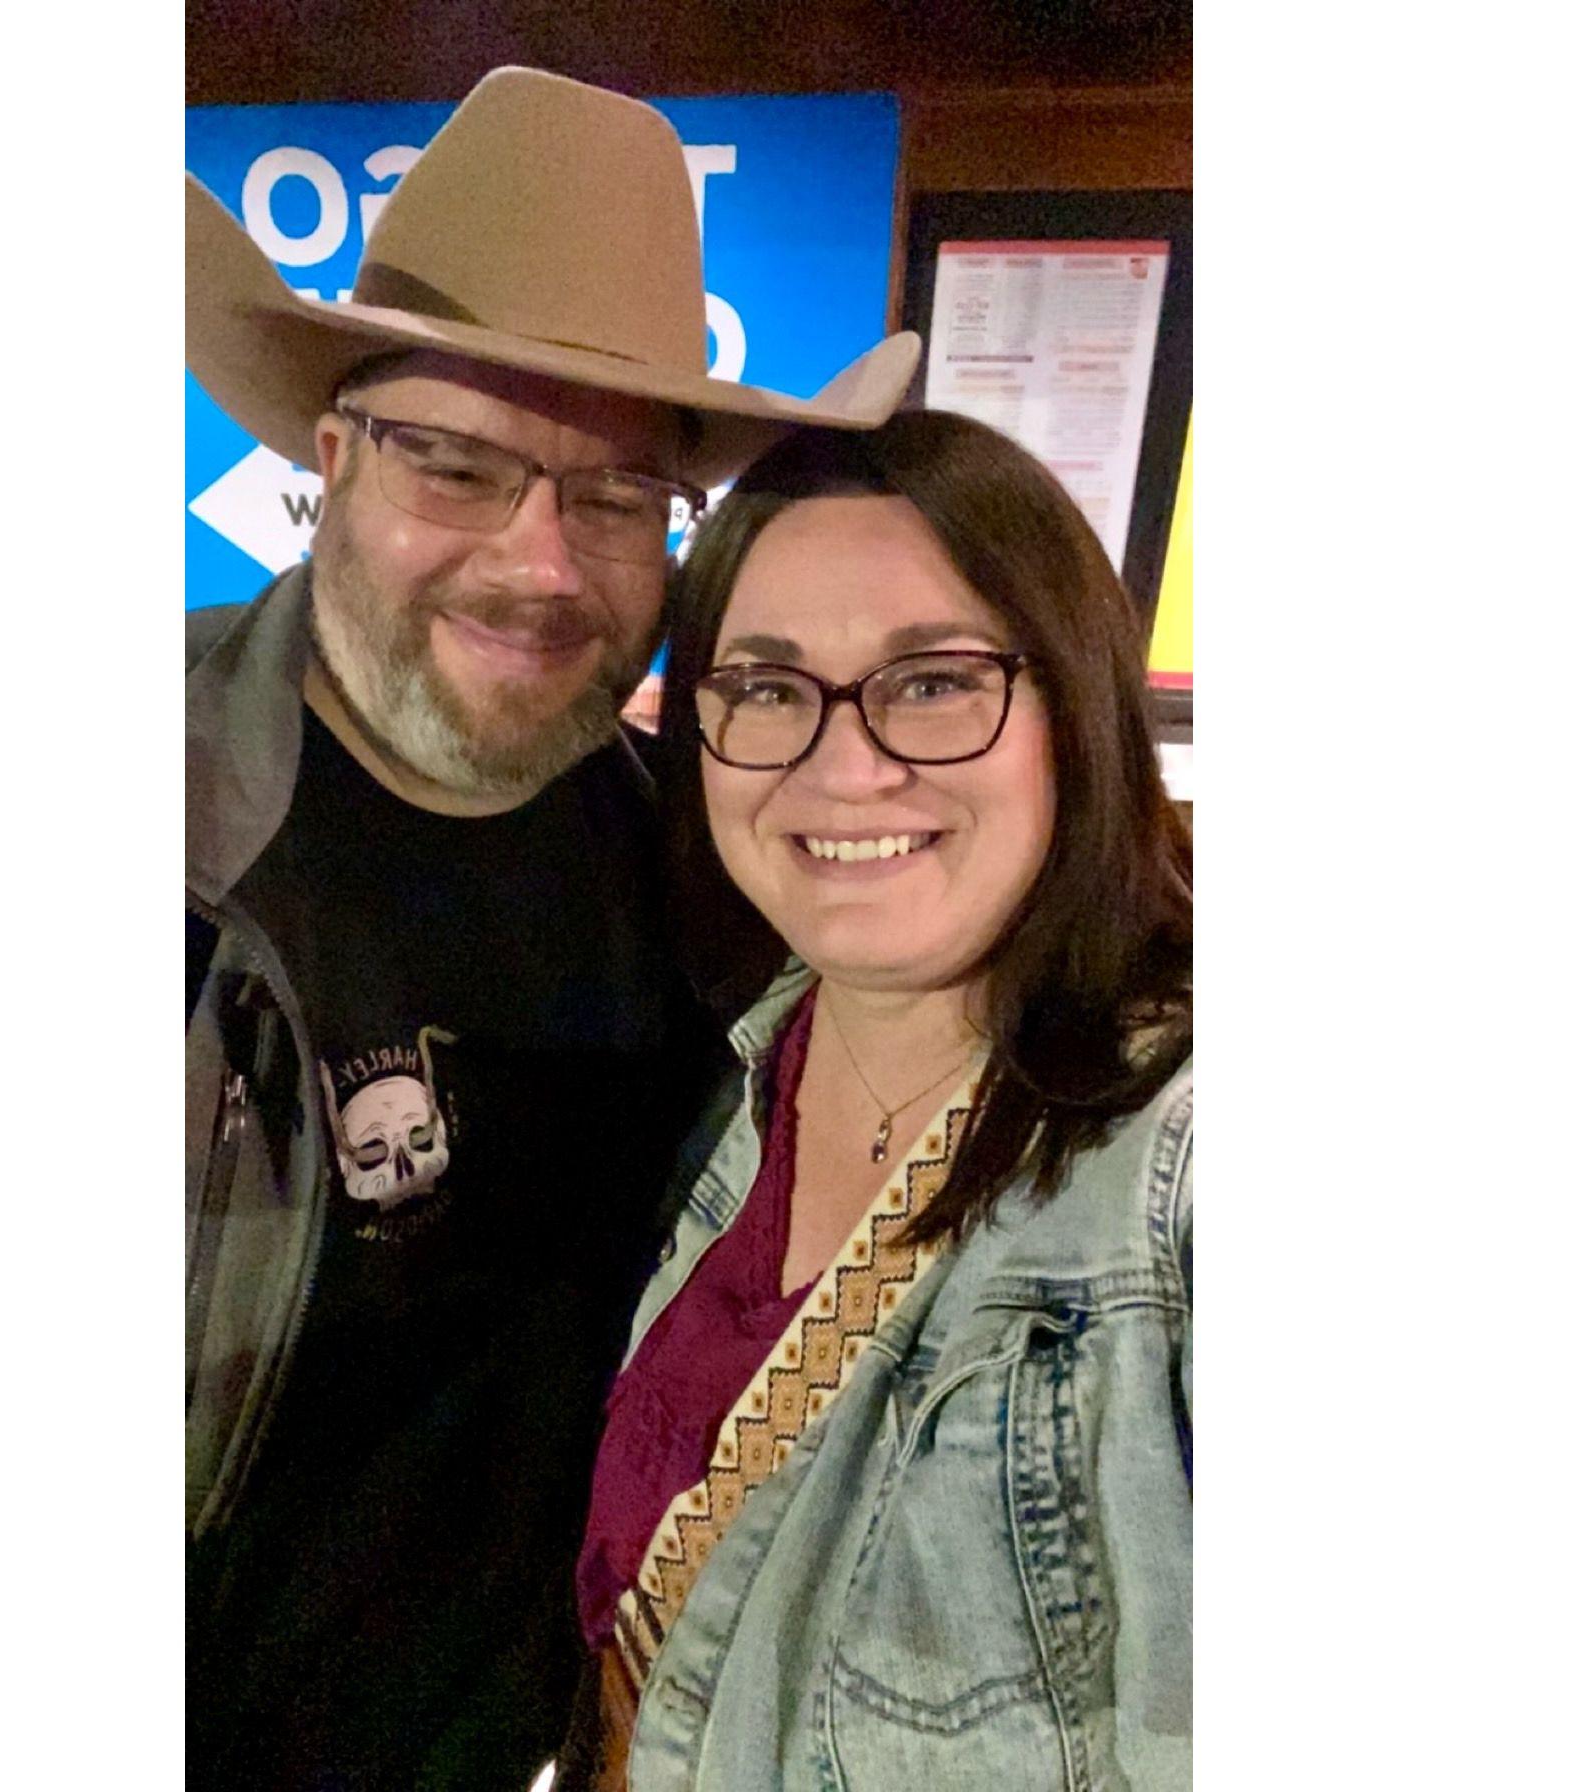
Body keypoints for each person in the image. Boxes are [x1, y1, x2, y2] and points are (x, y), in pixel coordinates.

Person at [183, 67, 917, 1792]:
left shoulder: (715, 873)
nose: (542, 567)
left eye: (613, 499)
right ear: (331, 462)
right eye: (458, 465)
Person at [565, 410, 1193, 1790]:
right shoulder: (745, 1062)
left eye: (933, 681)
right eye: (767, 686)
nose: (845, 767)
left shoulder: (1177, 1169)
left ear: (1075, 707)